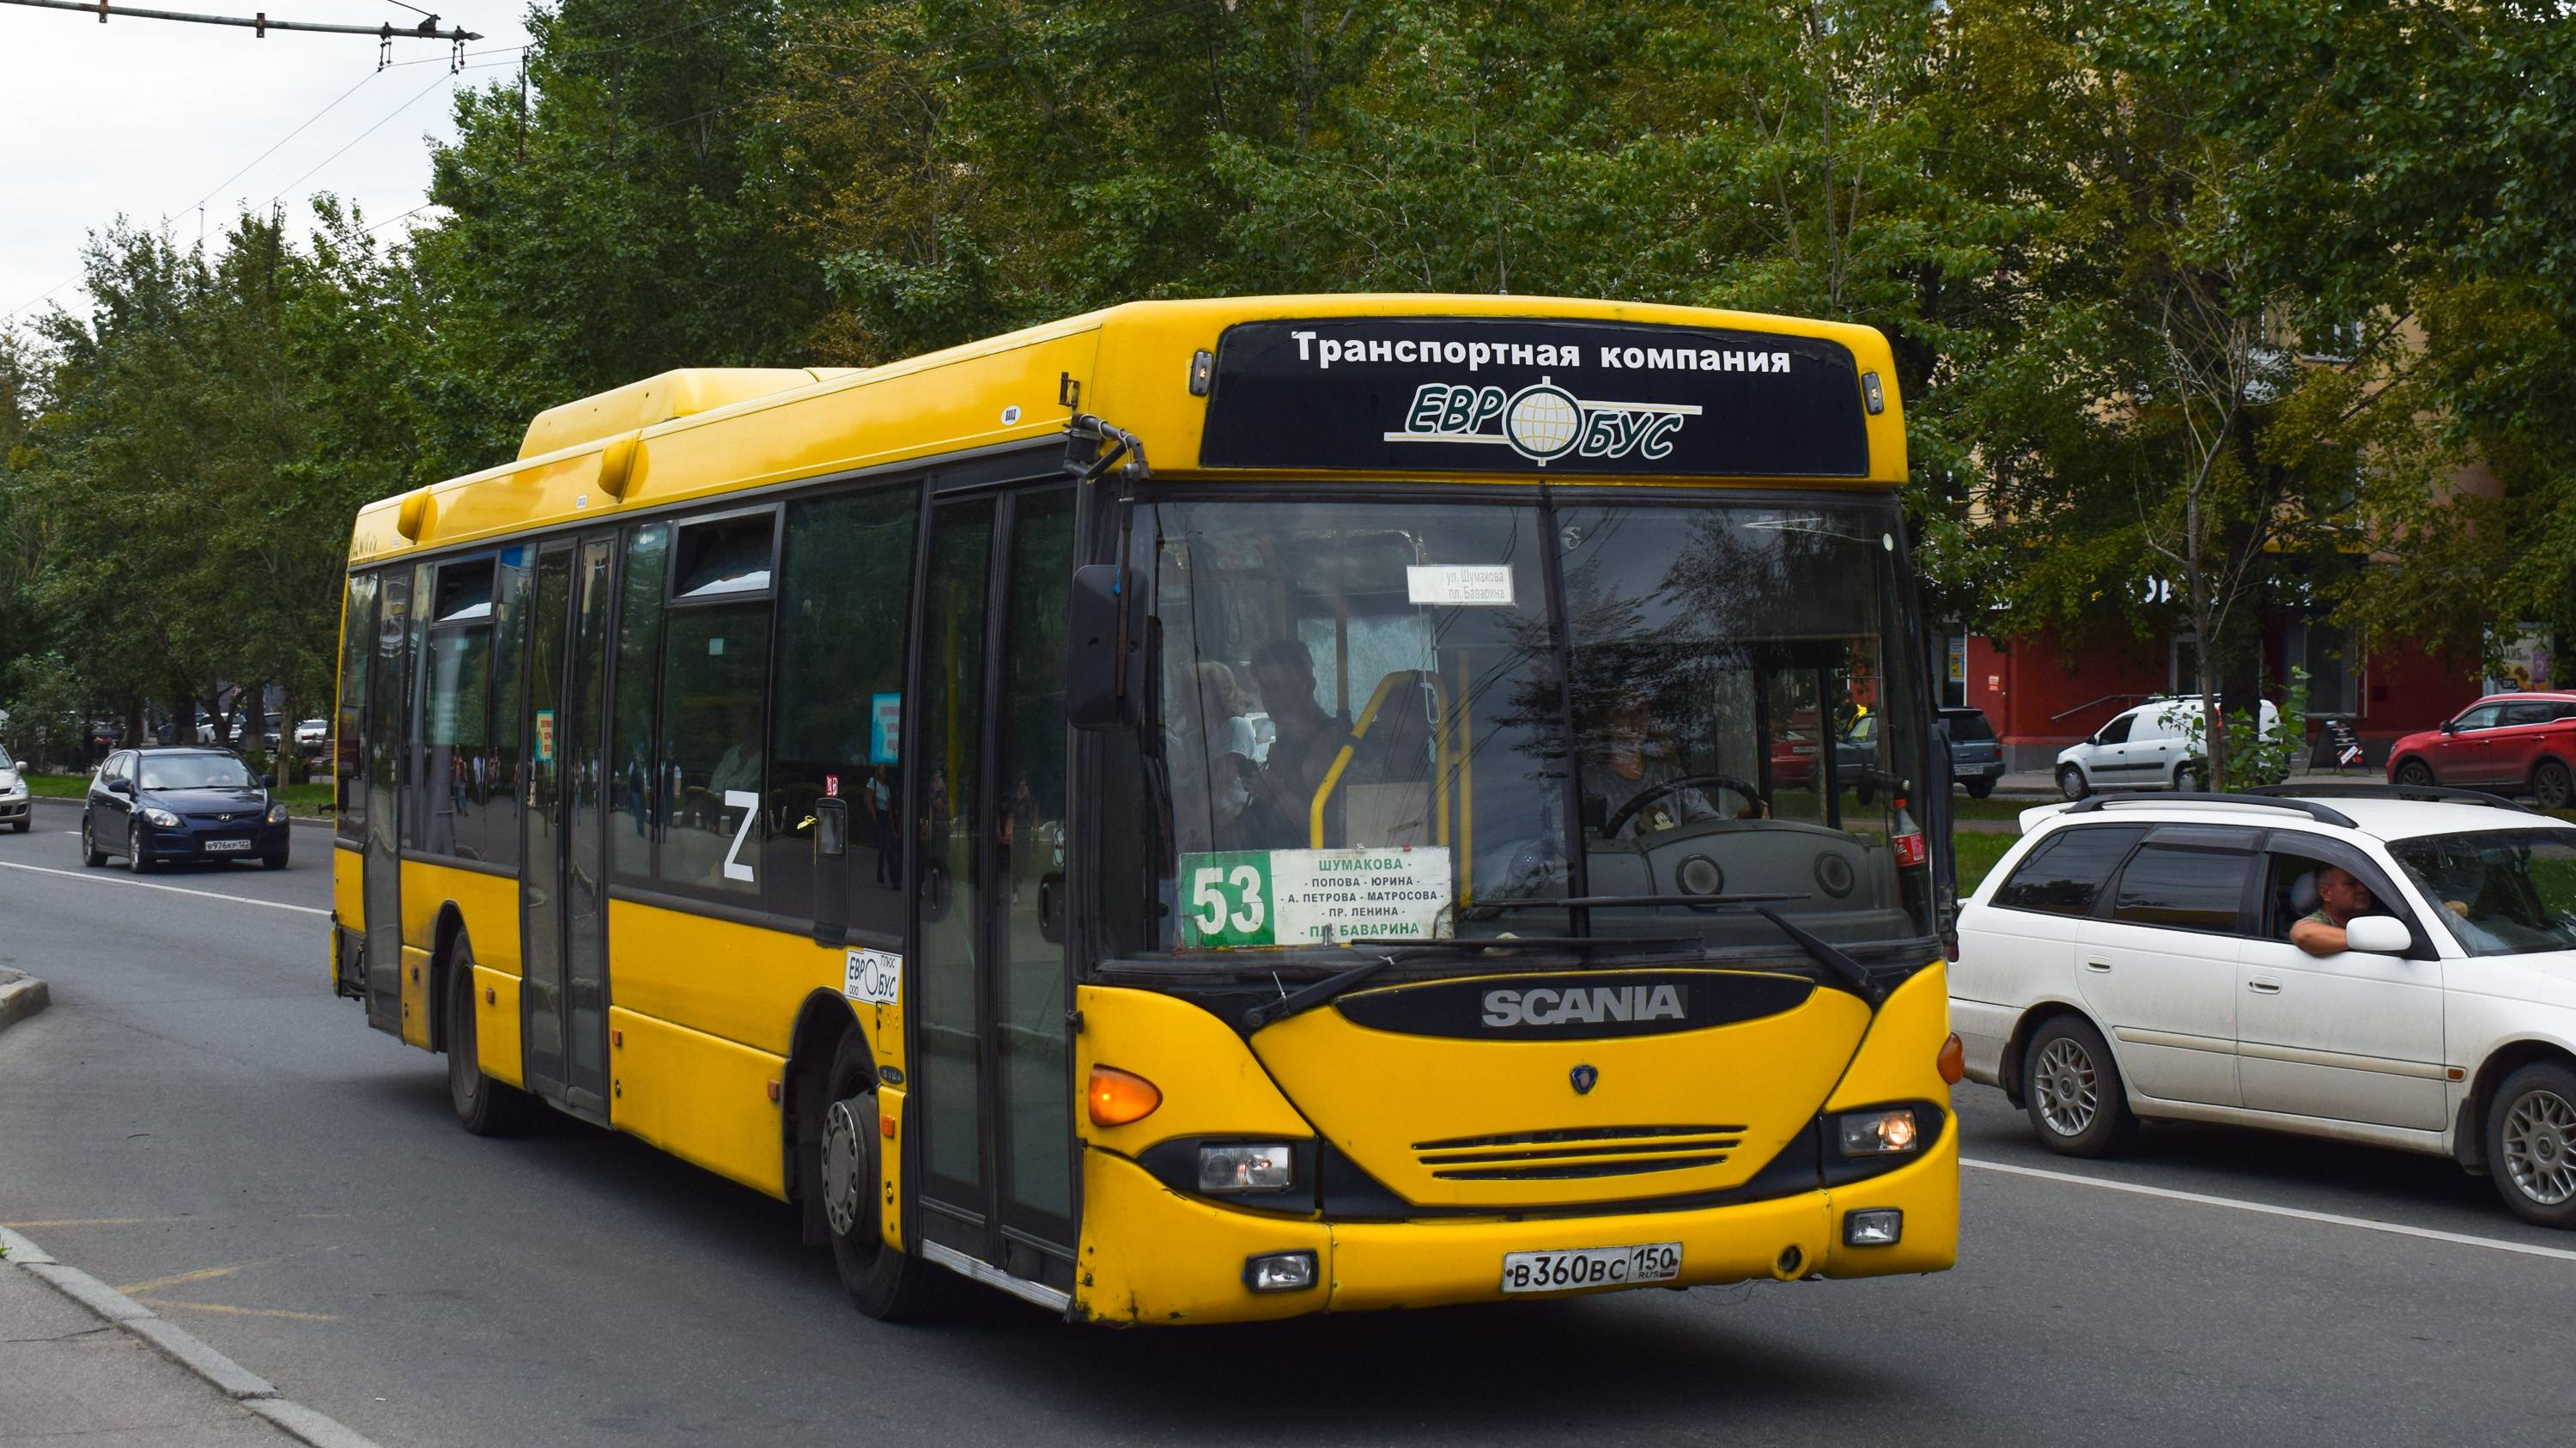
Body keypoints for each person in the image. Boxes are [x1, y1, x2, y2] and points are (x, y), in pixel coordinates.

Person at [1242, 639, 1342, 848]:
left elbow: (1335, 834)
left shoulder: (1330, 744)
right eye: (1265, 688)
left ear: (1309, 686)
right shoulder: (1285, 742)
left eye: (1279, 687)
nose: (1271, 698)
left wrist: (1277, 793)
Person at [1586, 692, 1721, 836]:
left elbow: (1709, 825)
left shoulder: (1670, 775)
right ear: (1607, 720)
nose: (1635, 722)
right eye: (1625, 711)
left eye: (1641, 711)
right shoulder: (1589, 784)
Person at [2291, 865, 2376, 956]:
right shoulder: (2320, 920)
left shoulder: (2375, 916)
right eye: (2351, 884)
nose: (2363, 890)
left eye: (2365, 883)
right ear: (2326, 893)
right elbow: (2305, 935)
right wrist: (2372, 940)